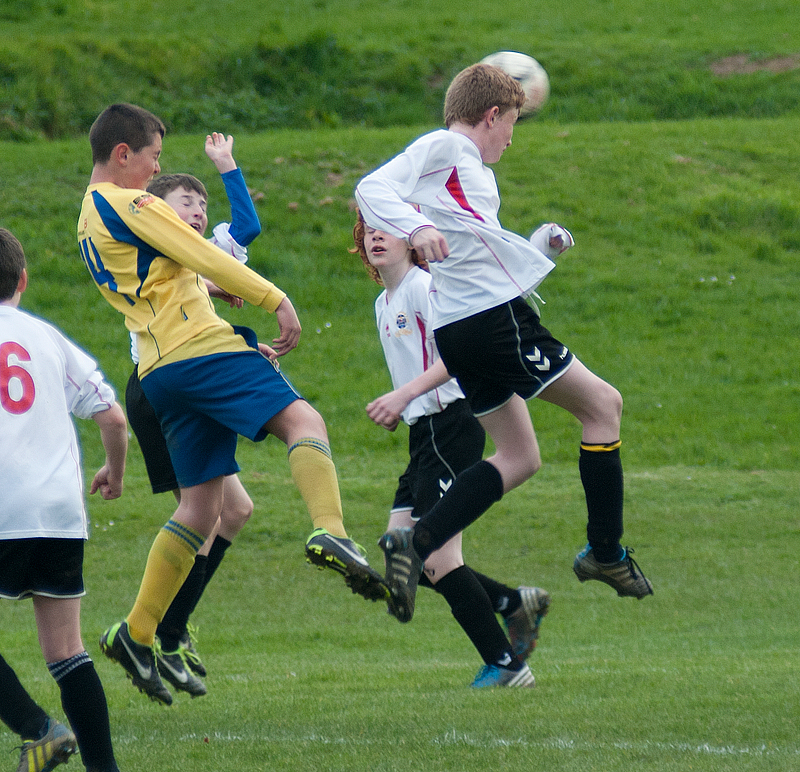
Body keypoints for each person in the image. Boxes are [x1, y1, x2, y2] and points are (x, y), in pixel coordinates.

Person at [78, 103, 388, 706]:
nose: (156, 169)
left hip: (158, 369)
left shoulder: (87, 217)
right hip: (200, 348)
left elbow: (165, 274)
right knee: (304, 420)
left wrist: (210, 291)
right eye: (154, 158)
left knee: (201, 510)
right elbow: (201, 252)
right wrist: (275, 298)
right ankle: (331, 532)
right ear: (123, 154)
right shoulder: (131, 202)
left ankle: (136, 633)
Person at [354, 62, 653, 632]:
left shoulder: (463, 175)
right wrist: (416, 231)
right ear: (491, 115)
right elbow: (370, 188)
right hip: (492, 321)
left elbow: (478, 252)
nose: (512, 138)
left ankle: (417, 542)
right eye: (513, 122)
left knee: (519, 458)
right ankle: (605, 552)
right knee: (603, 406)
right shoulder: (448, 146)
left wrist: (539, 248)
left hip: (462, 326)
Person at [352, 214, 550, 688]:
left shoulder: (424, 288)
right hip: (424, 433)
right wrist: (405, 405)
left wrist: (403, 396)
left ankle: (507, 665)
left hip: (453, 422)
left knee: (434, 556)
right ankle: (511, 603)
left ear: (413, 239)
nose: (376, 236)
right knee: (400, 553)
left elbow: (454, 357)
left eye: (386, 228)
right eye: (369, 230)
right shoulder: (384, 302)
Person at [123, 132, 260, 699]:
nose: (199, 212)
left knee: (236, 510)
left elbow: (246, 226)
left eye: (202, 205)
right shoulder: (149, 244)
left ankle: (170, 630)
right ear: (158, 210)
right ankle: (158, 635)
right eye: (187, 202)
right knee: (201, 515)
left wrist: (227, 167)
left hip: (195, 378)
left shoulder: (206, 247)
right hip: (160, 387)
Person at [0, 228, 127, 772]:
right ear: (23, 280)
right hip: (57, 511)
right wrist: (114, 471)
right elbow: (112, 417)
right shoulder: (48, 338)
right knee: (66, 650)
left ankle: (40, 731)